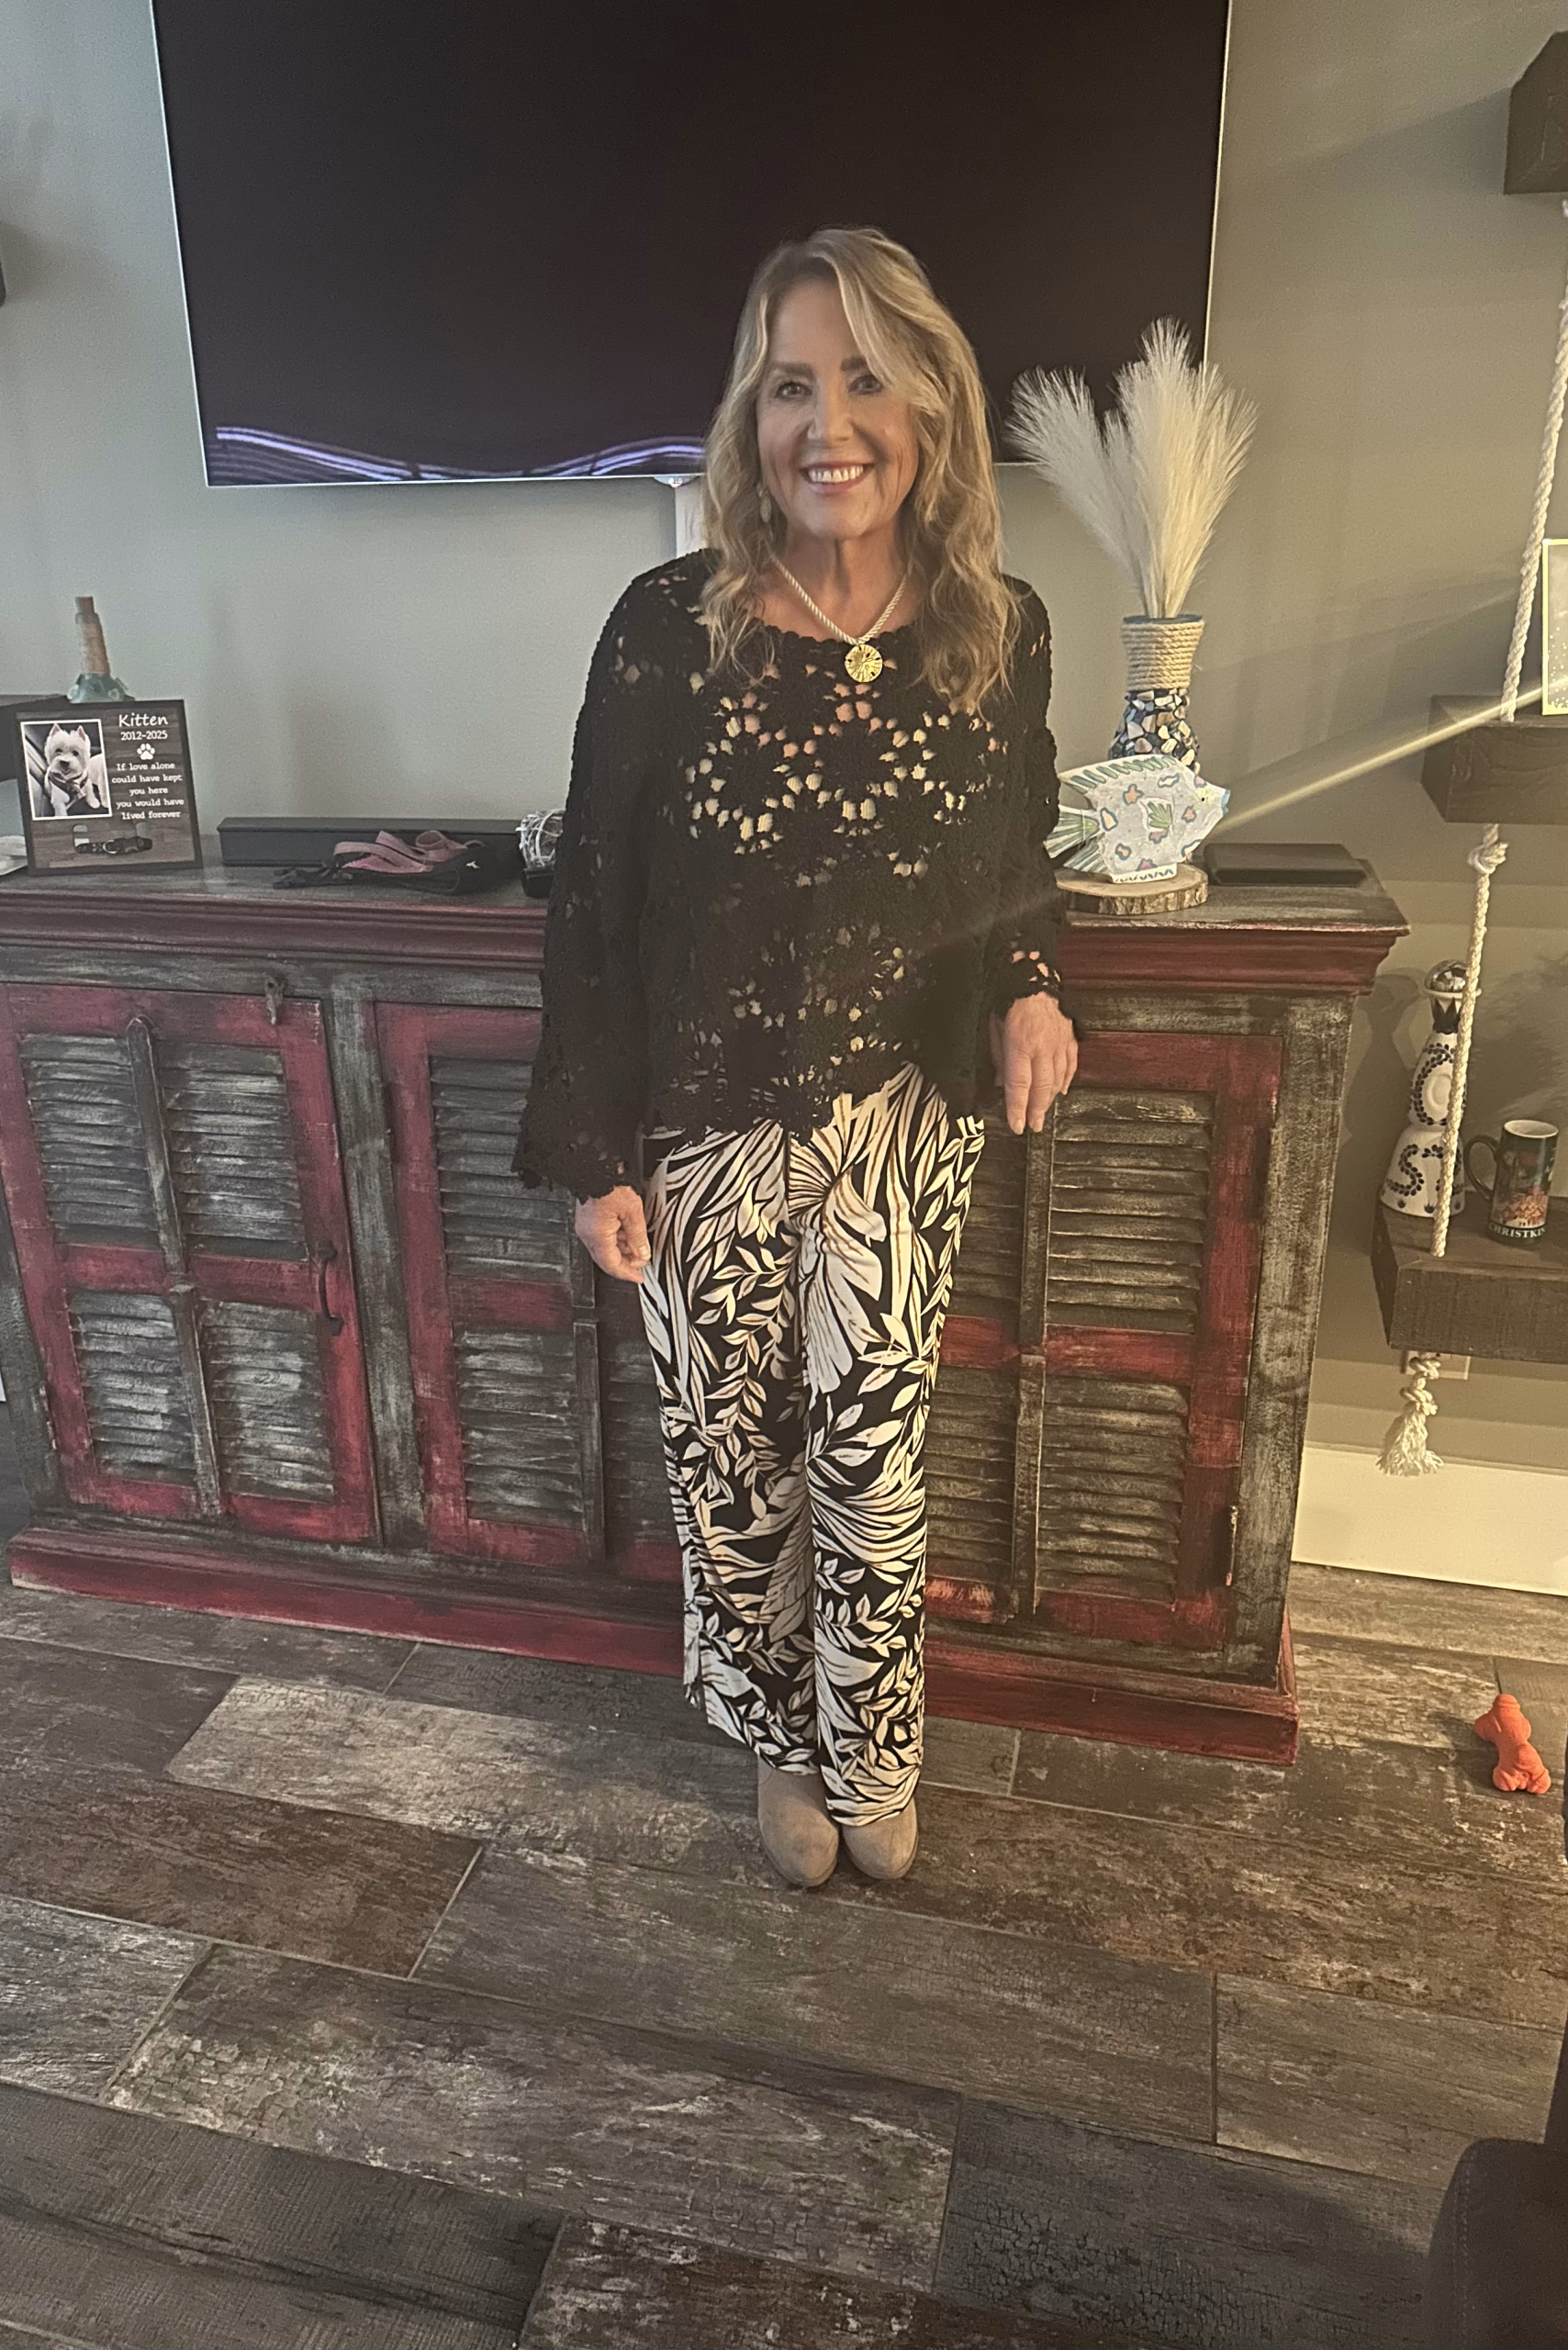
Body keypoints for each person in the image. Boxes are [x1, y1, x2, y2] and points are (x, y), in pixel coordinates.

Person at [512, 227, 1076, 1887]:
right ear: (748, 421)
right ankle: (778, 1744)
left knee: (873, 1466)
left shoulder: (998, 629)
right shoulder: (664, 628)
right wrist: (597, 1153)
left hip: (898, 1120)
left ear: (930, 408)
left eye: (866, 379)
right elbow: (594, 898)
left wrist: (1032, 986)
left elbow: (1016, 861)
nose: (828, 424)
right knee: (735, 1469)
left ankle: (873, 1747)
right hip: (703, 1124)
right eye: (788, 386)